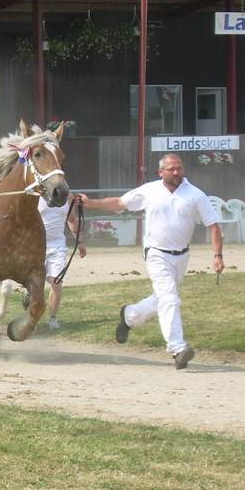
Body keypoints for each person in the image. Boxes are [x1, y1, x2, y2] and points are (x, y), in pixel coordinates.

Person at [77, 153, 223, 370]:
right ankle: (177, 348)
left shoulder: (195, 195)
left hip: (182, 255)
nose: (176, 172)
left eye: (179, 168)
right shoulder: (150, 190)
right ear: (161, 172)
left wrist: (217, 255)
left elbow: (213, 225)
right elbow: (120, 202)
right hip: (156, 252)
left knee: (162, 299)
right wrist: (91, 204)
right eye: (171, 169)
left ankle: (129, 315)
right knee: (169, 298)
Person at [38, 194, 86, 330]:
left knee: (56, 280)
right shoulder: (37, 196)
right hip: (37, 244)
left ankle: (52, 318)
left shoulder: (67, 198)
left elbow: (71, 220)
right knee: (36, 282)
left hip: (57, 244)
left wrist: (80, 241)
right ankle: (31, 310)